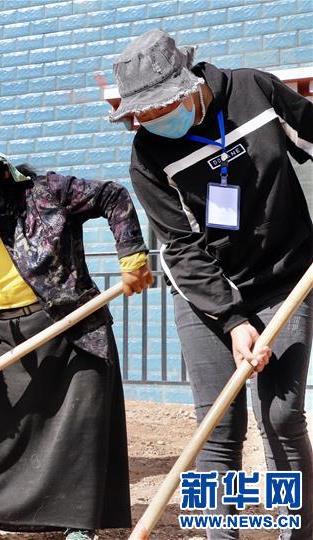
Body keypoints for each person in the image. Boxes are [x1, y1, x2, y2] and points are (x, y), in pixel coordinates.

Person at [111, 29, 313, 540]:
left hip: (286, 280)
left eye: (161, 108)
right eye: (143, 115)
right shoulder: (147, 155)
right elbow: (179, 247)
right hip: (206, 294)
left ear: (187, 84)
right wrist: (231, 319)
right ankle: (220, 536)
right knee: (216, 429)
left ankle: (300, 530)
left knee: (282, 415)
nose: (154, 121)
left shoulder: (255, 90)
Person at [0, 137, 152, 539]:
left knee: (78, 428)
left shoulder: (42, 195)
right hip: (8, 338)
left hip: (71, 329)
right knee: (1, 429)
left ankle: (79, 526)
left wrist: (131, 254)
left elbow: (112, 196)